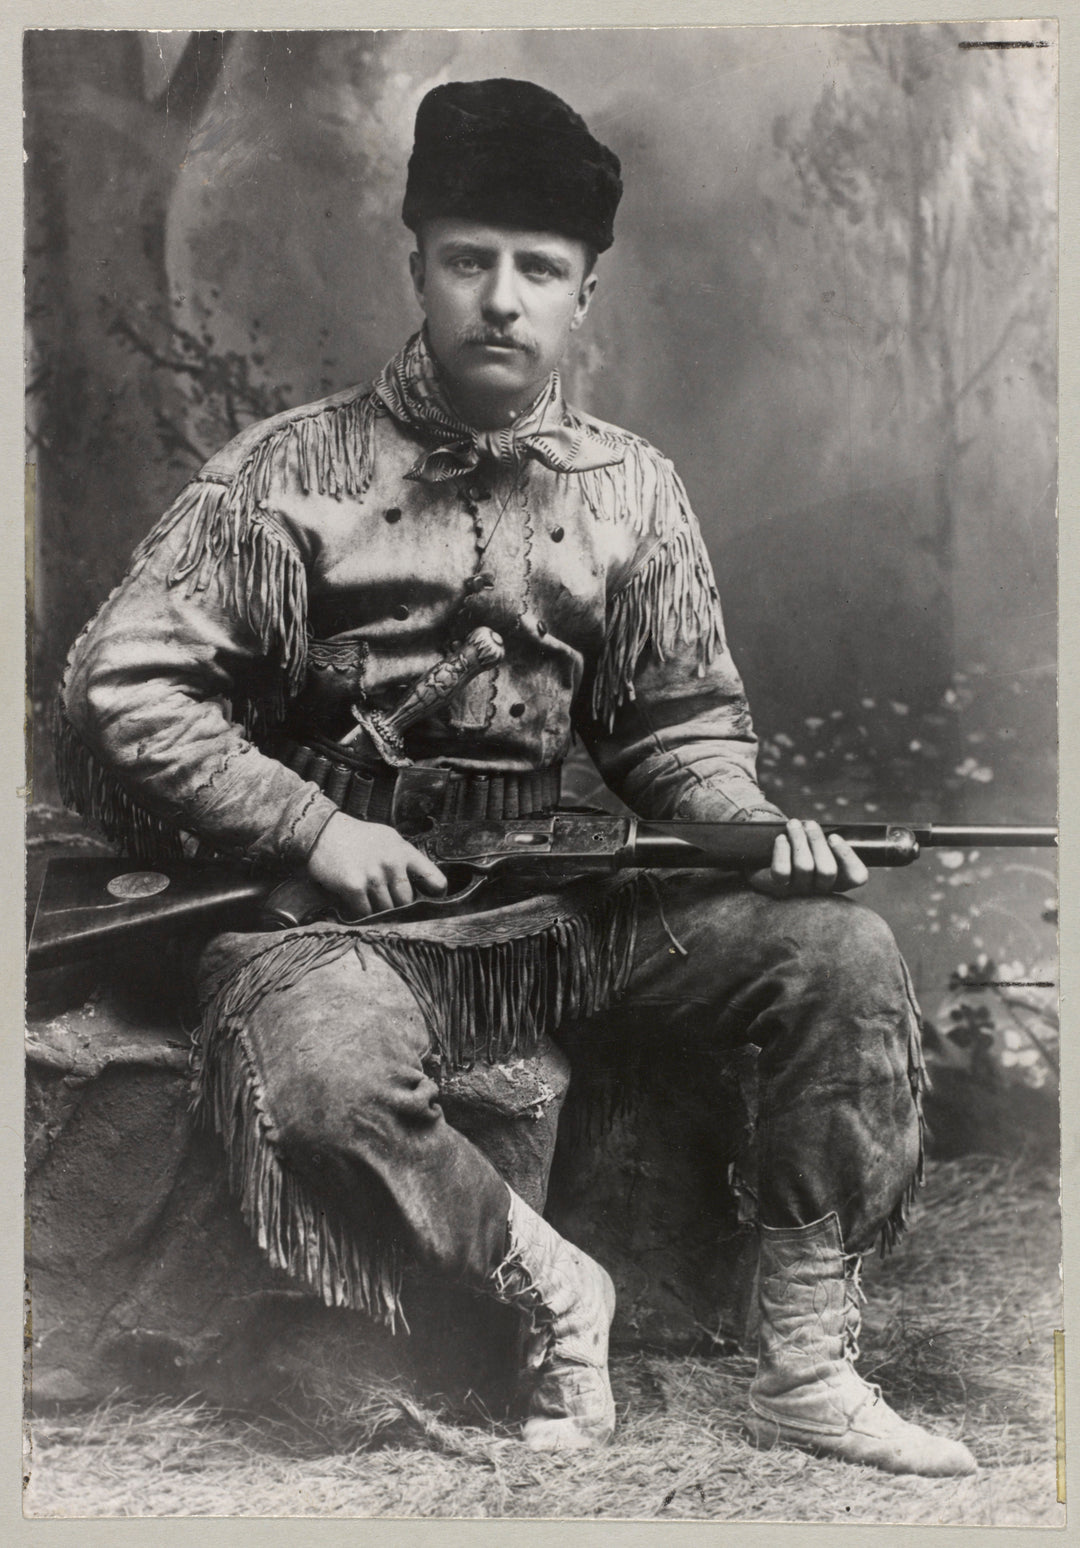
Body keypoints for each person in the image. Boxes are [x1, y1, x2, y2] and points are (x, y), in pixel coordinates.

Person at [56, 78, 975, 1474]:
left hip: (552, 906)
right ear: (417, 266)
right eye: (470, 260)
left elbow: (678, 731)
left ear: (583, 295)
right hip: (338, 916)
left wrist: (743, 827)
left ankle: (803, 1360)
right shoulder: (283, 476)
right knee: (318, 1077)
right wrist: (309, 824)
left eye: (538, 270)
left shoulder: (631, 491)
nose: (501, 298)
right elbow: (126, 683)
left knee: (840, 954)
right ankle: (554, 1291)